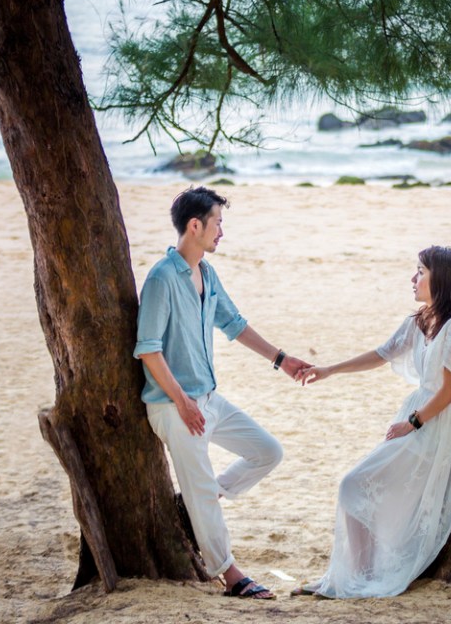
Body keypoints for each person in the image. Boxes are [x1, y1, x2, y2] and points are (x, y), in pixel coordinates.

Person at [134, 185, 310, 600]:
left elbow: (234, 324)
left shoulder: (207, 274)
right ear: (195, 226)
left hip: (209, 400)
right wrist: (182, 402)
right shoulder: (161, 278)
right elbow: (148, 349)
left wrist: (281, 359)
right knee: (202, 494)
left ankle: (202, 498)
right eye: (218, 223)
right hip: (174, 406)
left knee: (267, 451)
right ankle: (231, 576)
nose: (222, 232)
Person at [294, 245, 451, 598]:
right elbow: (382, 353)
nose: (413, 278)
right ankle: (357, 574)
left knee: (354, 484)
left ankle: (361, 576)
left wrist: (413, 423)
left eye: (421, 272)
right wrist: (330, 370)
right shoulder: (422, 320)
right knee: (357, 487)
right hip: (420, 416)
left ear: (440, 278)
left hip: (438, 424)